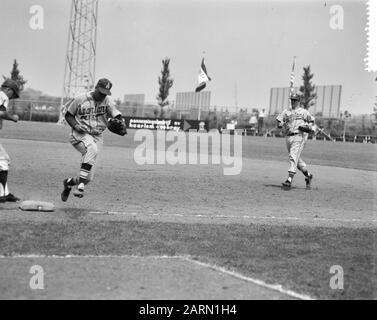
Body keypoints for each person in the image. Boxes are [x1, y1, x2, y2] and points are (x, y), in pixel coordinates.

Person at [61, 78, 124, 201]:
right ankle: (80, 187)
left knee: (88, 177)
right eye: (101, 92)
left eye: (105, 93)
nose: (103, 95)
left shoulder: (108, 101)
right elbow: (68, 115)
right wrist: (75, 125)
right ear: (95, 88)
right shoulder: (80, 98)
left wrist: (121, 121)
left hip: (97, 136)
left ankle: (69, 183)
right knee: (92, 149)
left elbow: (117, 114)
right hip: (79, 134)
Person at [276, 93, 315, 189]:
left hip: (299, 136)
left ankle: (289, 179)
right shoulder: (286, 112)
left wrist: (308, 126)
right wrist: (280, 124)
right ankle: (308, 175)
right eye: (292, 99)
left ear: (298, 101)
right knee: (296, 160)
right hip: (288, 137)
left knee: (293, 155)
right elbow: (279, 121)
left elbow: (312, 121)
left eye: (295, 100)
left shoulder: (303, 112)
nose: (293, 101)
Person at [0, 79, 21, 202]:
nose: (12, 98)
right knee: (3, 160)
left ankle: (5, 193)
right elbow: (1, 113)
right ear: (8, 89)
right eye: (13, 94)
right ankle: (2, 194)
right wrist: (13, 118)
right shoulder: (2, 95)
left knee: (3, 160)